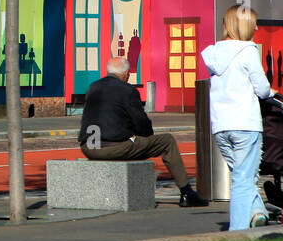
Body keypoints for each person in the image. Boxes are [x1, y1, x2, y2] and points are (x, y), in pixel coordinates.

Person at [78, 56, 208, 207]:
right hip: (114, 148)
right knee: (167, 141)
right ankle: (187, 192)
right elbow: (141, 122)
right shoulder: (127, 90)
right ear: (126, 74)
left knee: (132, 141)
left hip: (88, 148)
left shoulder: (93, 87)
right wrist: (145, 137)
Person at [202, 3, 273, 230]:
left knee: (241, 175)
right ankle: (238, 232)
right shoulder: (248, 51)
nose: (257, 28)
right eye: (254, 24)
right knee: (243, 179)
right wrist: (272, 94)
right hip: (245, 122)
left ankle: (257, 212)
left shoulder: (214, 53)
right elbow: (261, 88)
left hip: (221, 125)